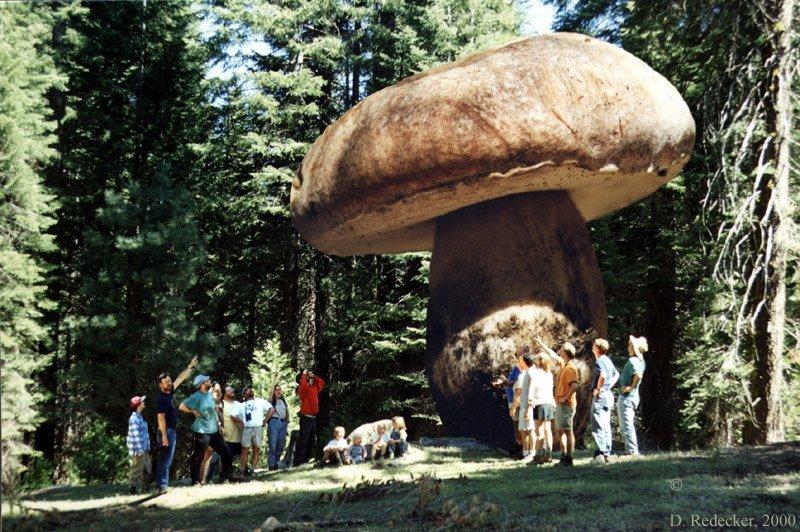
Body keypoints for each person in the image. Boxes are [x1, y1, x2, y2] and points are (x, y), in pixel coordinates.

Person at [180, 374, 238, 485]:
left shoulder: (209, 395)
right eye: (207, 380)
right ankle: (195, 480)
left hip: (214, 430)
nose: (209, 381)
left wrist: (219, 424)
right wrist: (193, 412)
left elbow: (214, 410)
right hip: (202, 431)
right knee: (199, 455)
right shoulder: (196, 396)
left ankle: (228, 476)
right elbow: (181, 406)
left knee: (225, 451)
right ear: (202, 385)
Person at [155, 356, 198, 494]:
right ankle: (162, 486)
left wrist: (190, 367)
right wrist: (164, 436)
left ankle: (162, 485)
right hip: (166, 431)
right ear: (161, 385)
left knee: (166, 460)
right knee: (165, 460)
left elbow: (180, 379)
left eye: (169, 381)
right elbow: (160, 418)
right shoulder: (161, 398)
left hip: (171, 431)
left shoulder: (169, 393)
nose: (169, 383)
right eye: (166, 382)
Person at [536, 338, 579, 466]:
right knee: (559, 430)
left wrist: (566, 397)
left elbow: (575, 385)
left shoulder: (570, 368)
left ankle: (569, 457)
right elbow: (553, 355)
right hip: (560, 403)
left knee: (567, 430)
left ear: (565, 352)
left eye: (561, 350)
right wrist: (542, 344)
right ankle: (564, 454)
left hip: (567, 404)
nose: (559, 352)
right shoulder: (564, 365)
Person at [618, 336, 648, 456]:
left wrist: (631, 387)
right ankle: (629, 449)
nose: (628, 347)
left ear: (635, 348)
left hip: (627, 397)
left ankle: (632, 450)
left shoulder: (633, 361)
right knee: (626, 423)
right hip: (632, 397)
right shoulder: (641, 361)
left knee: (627, 423)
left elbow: (639, 375)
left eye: (630, 345)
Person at [233, 387, 273, 475]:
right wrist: (242, 422)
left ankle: (253, 470)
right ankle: (243, 470)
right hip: (247, 429)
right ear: (244, 395)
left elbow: (271, 409)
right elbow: (233, 416)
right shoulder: (241, 405)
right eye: (247, 390)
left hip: (258, 427)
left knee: (256, 449)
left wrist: (265, 420)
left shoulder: (260, 401)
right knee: (244, 450)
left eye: (250, 389)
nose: (250, 390)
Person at [591, 338, 619, 463]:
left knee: (598, 424)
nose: (592, 347)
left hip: (601, 396)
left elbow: (603, 375)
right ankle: (607, 452)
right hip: (608, 395)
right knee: (606, 424)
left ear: (598, 348)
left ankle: (601, 453)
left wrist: (599, 388)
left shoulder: (600, 361)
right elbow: (616, 374)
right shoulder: (608, 360)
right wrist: (607, 387)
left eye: (594, 345)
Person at [492, 352, 523, 457]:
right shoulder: (516, 367)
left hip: (516, 400)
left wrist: (504, 381)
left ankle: (521, 448)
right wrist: (502, 382)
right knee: (516, 425)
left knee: (519, 425)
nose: (517, 357)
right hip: (511, 399)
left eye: (519, 355)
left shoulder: (522, 370)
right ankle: (518, 445)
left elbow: (516, 383)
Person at [294, 369, 325, 466]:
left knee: (311, 440)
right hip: (306, 418)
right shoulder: (302, 389)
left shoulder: (313, 387)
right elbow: (303, 386)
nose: (308, 376)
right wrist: (303, 374)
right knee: (304, 440)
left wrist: (313, 376)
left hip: (313, 418)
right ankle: (298, 461)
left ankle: (305, 460)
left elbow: (321, 383)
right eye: (307, 376)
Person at [530, 354, 556, 464]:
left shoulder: (536, 373)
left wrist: (530, 400)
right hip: (549, 403)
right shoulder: (549, 374)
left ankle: (538, 456)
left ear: (539, 361)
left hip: (539, 403)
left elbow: (533, 387)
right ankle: (548, 454)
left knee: (539, 431)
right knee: (548, 430)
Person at [511, 350, 535, 460]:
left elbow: (518, 394)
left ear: (524, 362)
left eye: (520, 360)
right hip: (532, 405)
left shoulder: (523, 376)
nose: (518, 362)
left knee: (524, 430)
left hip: (525, 405)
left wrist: (514, 408)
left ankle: (527, 453)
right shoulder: (536, 374)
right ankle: (532, 452)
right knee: (530, 430)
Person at [127, 396, 151, 495]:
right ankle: (132, 489)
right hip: (138, 450)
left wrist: (147, 446)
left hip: (144, 448)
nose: (144, 402)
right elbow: (135, 435)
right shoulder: (133, 419)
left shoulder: (140, 417)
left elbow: (145, 433)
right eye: (142, 402)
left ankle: (145, 488)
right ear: (138, 405)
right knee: (136, 469)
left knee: (147, 468)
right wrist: (140, 450)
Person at [267, 382, 289, 471]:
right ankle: (271, 465)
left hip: (283, 423)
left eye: (280, 389)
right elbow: (271, 394)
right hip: (274, 422)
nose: (279, 391)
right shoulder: (271, 401)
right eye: (277, 390)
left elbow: (286, 411)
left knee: (281, 444)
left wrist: (287, 422)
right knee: (273, 444)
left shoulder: (283, 400)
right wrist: (273, 380)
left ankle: (276, 463)